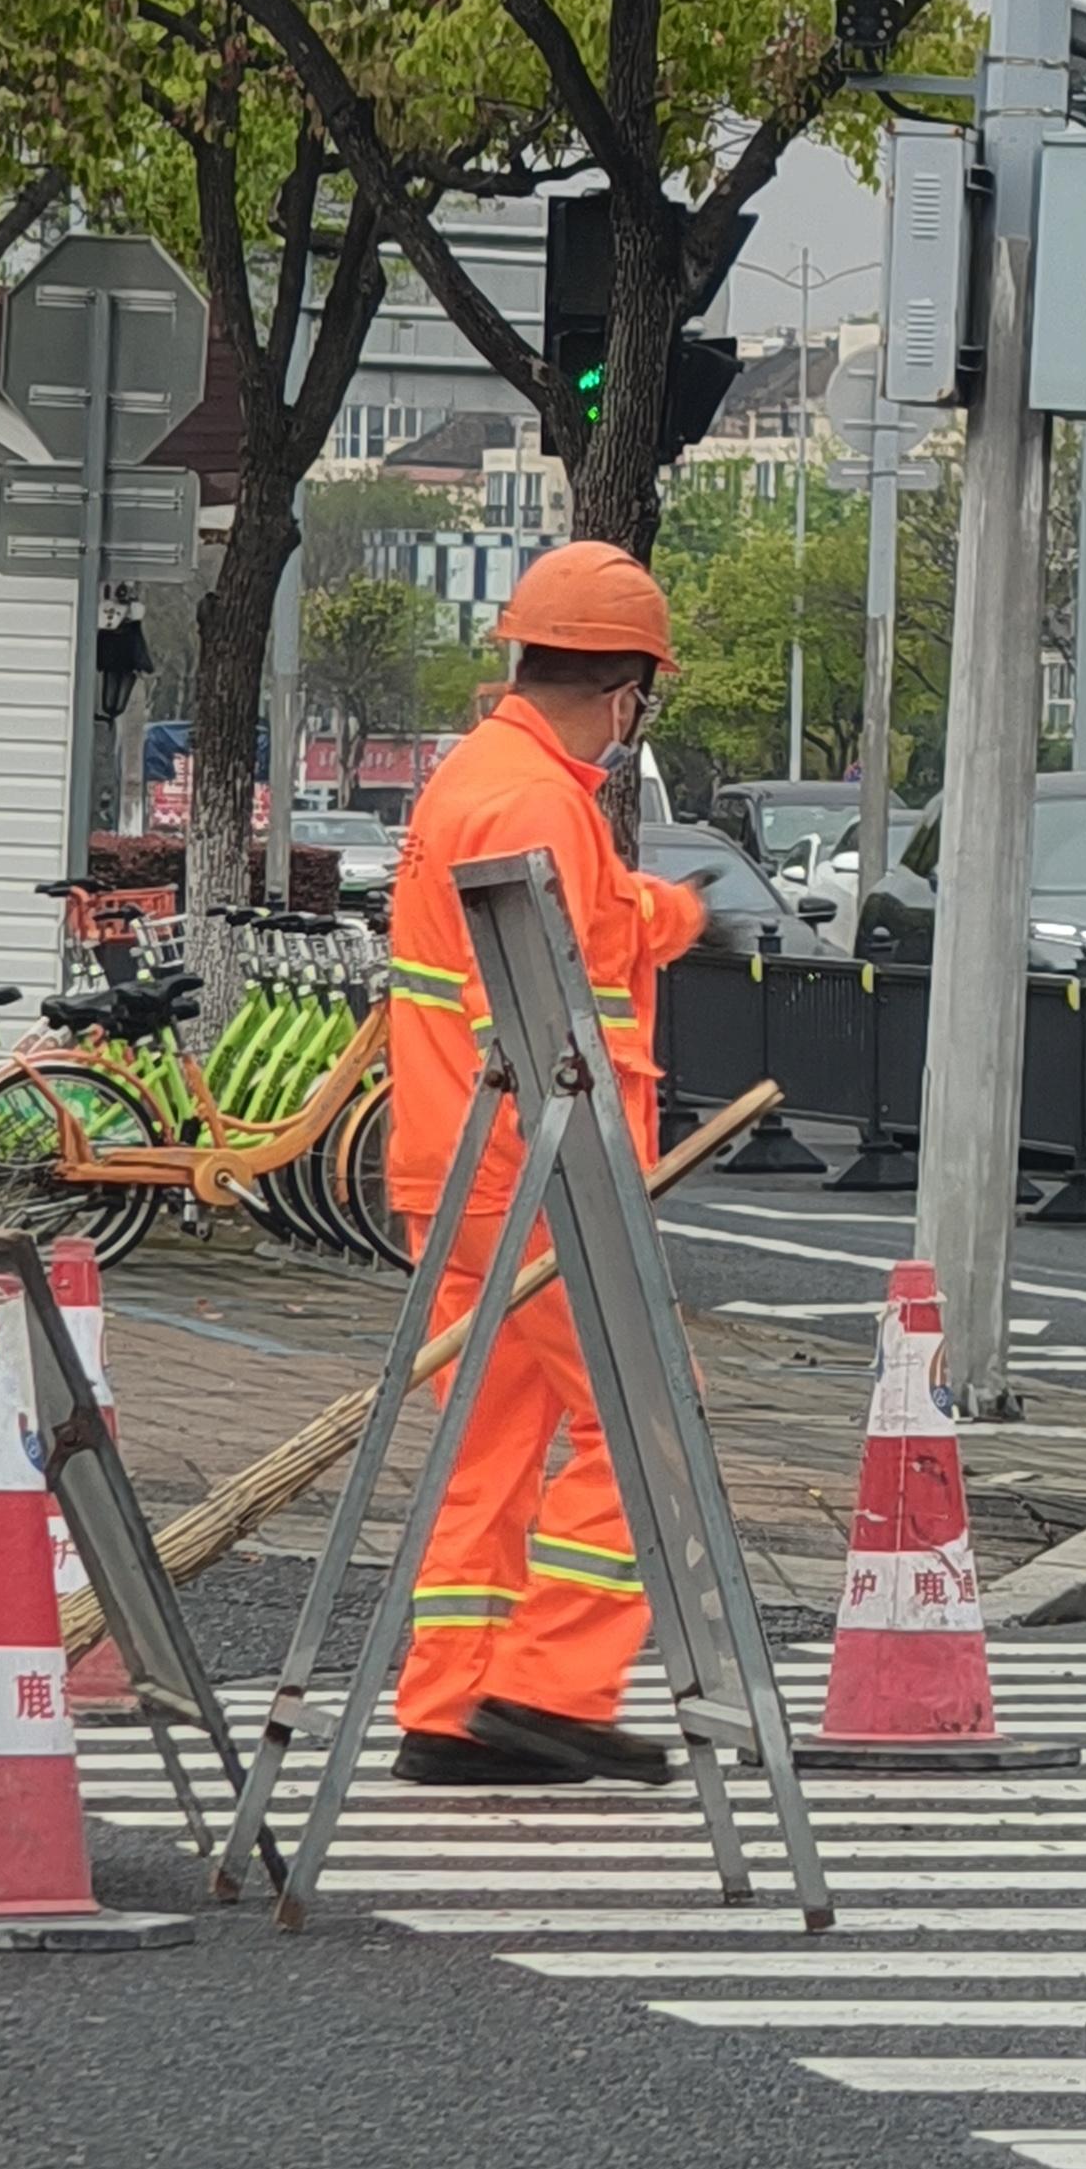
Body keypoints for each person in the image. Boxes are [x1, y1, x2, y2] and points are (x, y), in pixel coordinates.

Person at [379, 540, 711, 1788]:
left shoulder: (490, 778)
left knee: (492, 1442)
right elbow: (546, 1009)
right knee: (646, 1434)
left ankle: (451, 1705)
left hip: (458, 1168)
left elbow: (597, 923)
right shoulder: (532, 800)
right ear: (631, 688)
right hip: (541, 1174)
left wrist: (675, 917)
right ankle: (547, 1687)